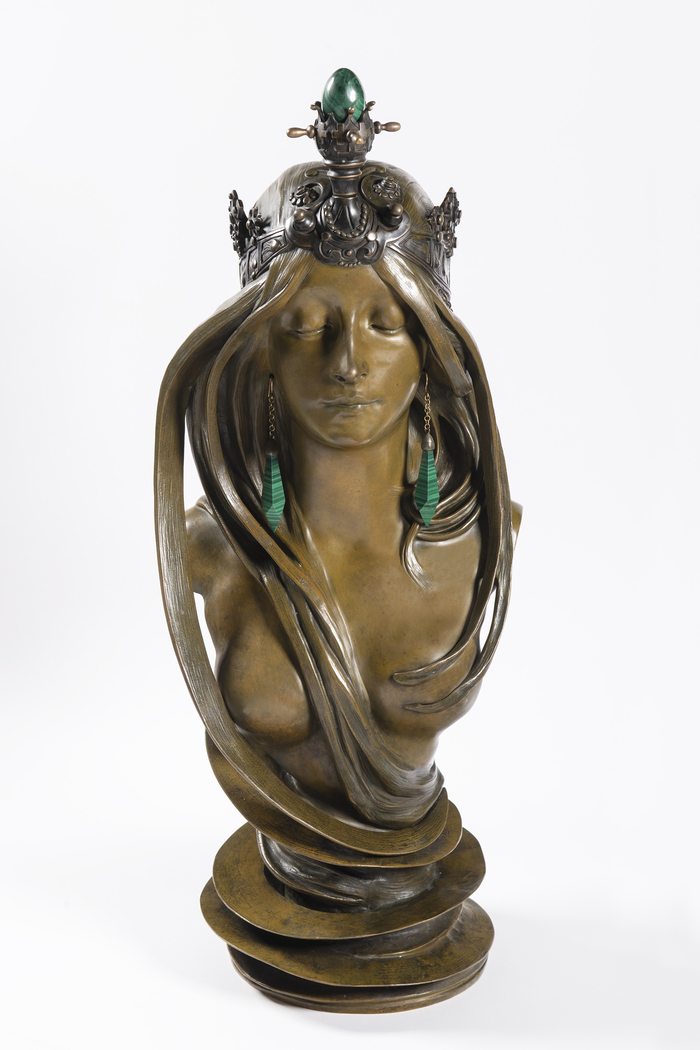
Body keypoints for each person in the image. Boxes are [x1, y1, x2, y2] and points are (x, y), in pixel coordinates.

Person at [155, 92, 515, 840]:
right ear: (261, 351)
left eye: (385, 324)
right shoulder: (210, 547)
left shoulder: (488, 530)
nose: (348, 362)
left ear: (430, 350)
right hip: (284, 871)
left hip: (419, 869)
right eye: (308, 325)